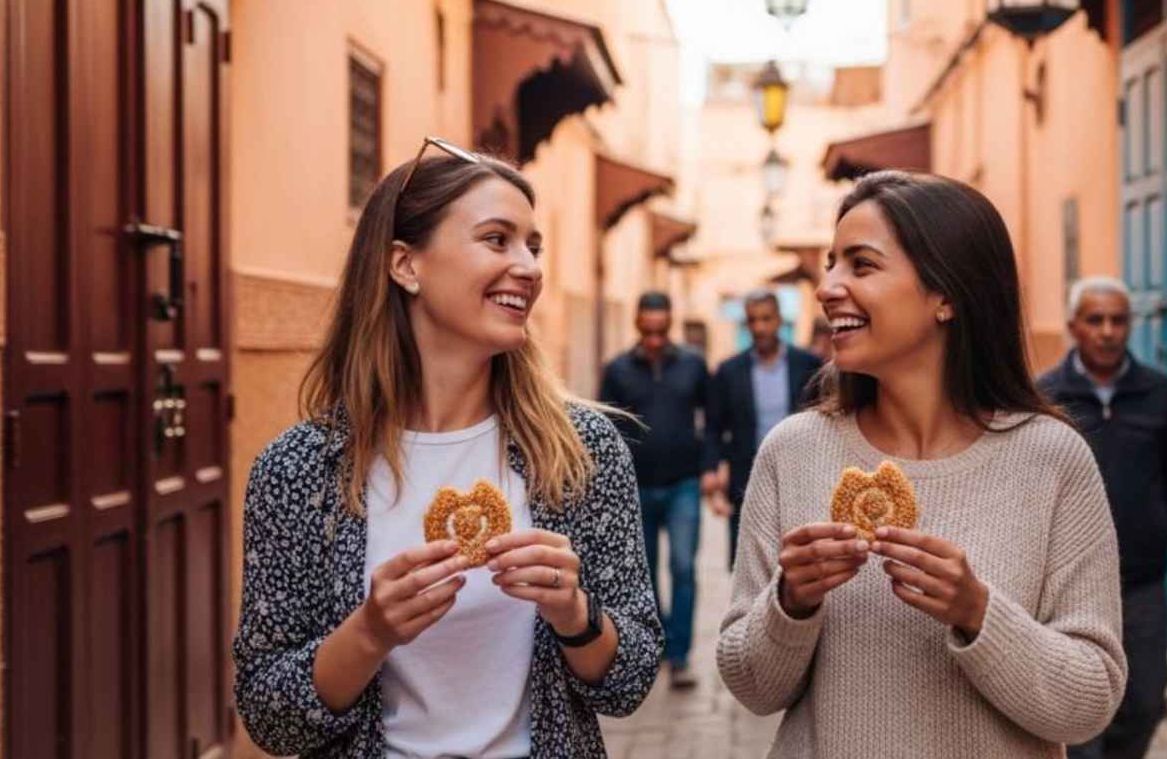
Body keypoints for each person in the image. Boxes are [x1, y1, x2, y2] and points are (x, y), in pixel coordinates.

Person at [233, 140, 661, 759]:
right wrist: (370, 631)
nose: (530, 268)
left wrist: (574, 612)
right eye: (497, 239)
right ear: (406, 265)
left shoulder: (580, 453)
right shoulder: (299, 469)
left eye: (533, 246)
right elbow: (270, 720)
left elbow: (628, 684)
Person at [717, 171, 1127, 758]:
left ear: (945, 295)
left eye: (861, 265)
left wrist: (977, 612)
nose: (828, 287)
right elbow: (752, 687)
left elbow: (1089, 702)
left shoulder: (1052, 460)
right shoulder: (793, 451)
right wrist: (791, 602)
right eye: (831, 264)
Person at [1038, 276, 1167, 759]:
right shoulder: (1047, 396)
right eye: (1096, 320)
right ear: (1074, 327)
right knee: (1083, 716)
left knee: (1146, 701)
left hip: (1142, 583)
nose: (1108, 331)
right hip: (1070, 585)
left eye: (1118, 320)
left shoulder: (1158, 391)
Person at [599, 290, 712, 688]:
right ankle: (657, 643)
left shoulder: (694, 366)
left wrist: (710, 467)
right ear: (637, 325)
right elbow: (606, 432)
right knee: (643, 574)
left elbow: (711, 419)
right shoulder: (617, 370)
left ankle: (679, 656)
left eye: (661, 330)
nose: (655, 339)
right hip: (637, 488)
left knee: (683, 566)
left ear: (670, 324)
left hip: (683, 484)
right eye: (648, 331)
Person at [703, 288, 823, 565]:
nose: (760, 327)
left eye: (766, 319)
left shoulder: (807, 364)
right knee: (747, 560)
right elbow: (714, 427)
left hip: (799, 473)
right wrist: (710, 470)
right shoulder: (728, 371)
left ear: (779, 320)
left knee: (798, 555)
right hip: (746, 475)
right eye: (753, 320)